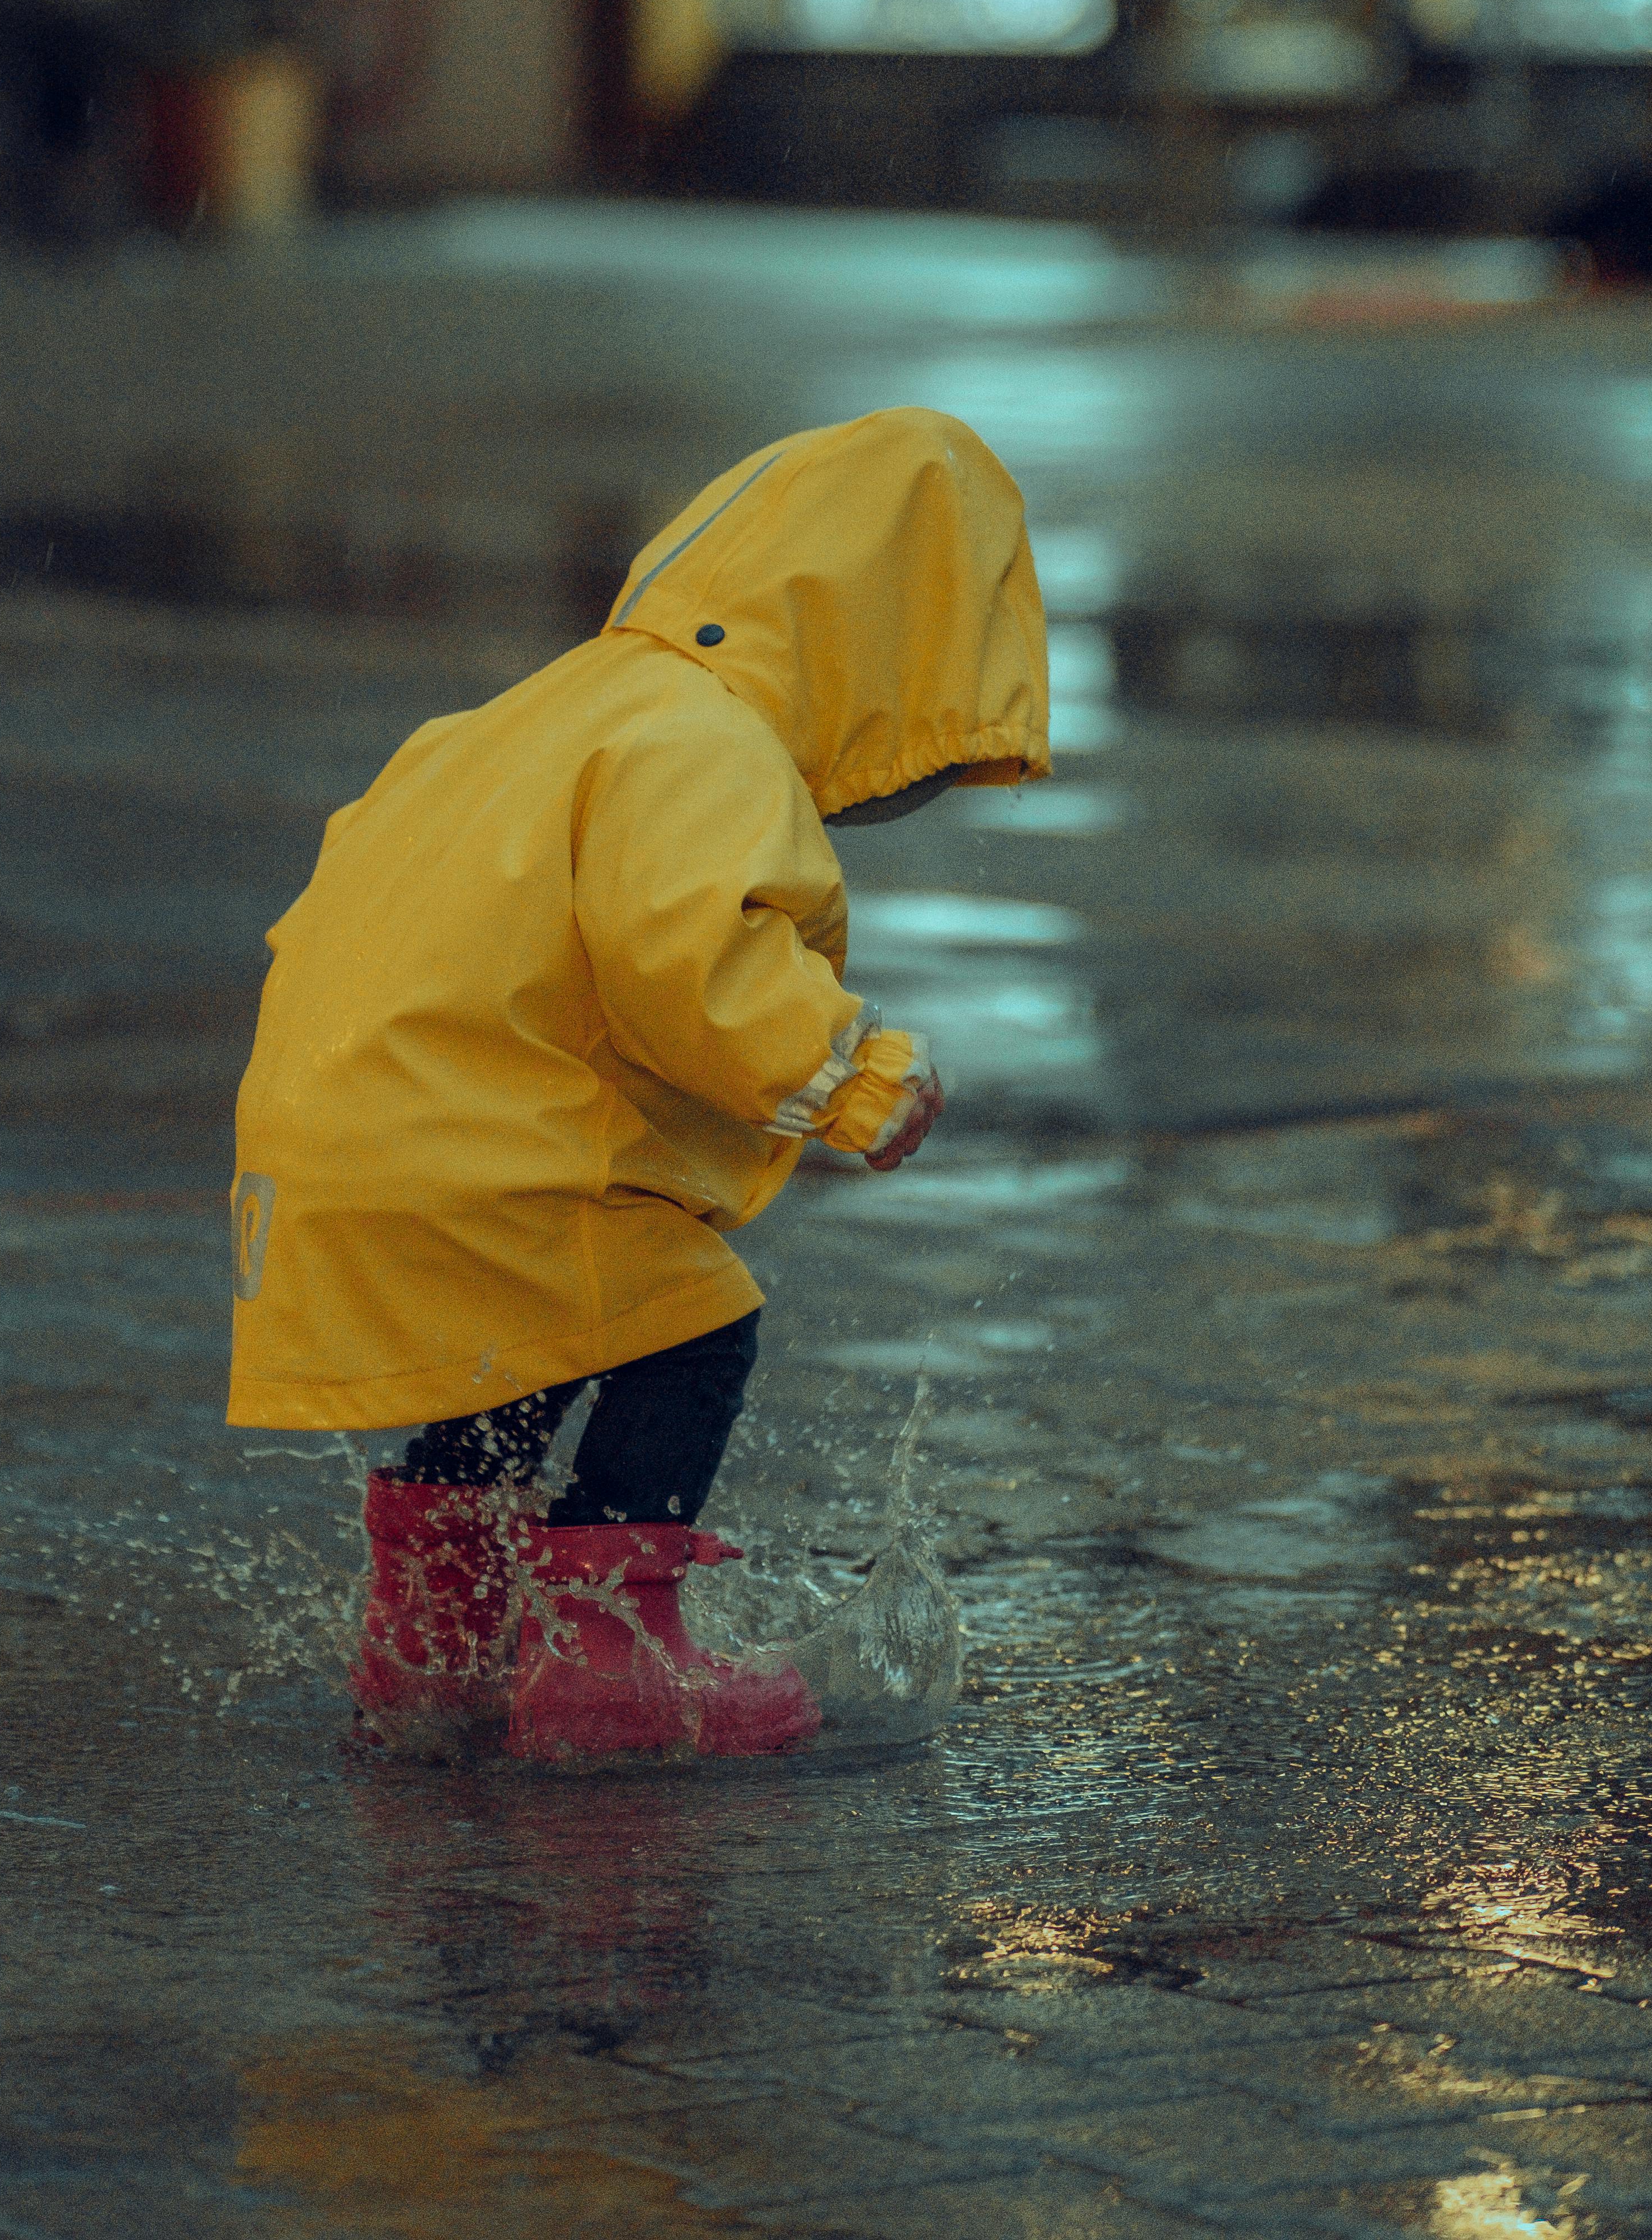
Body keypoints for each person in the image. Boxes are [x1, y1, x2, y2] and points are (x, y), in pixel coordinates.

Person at [227, 407, 1050, 1762]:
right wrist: (851, 1075)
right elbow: (688, 946)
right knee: (686, 1326)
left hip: (357, 1119)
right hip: (482, 1134)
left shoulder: (537, 713)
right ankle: (611, 1658)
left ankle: (433, 1635)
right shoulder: (695, 739)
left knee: (521, 1345)